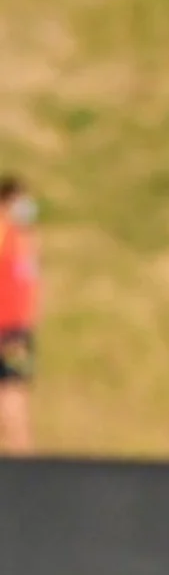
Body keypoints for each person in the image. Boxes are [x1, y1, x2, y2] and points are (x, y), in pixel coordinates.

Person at [0, 175, 41, 455]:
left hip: (15, 328)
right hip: (6, 325)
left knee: (14, 394)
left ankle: (22, 457)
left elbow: (31, 283)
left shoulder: (25, 239)